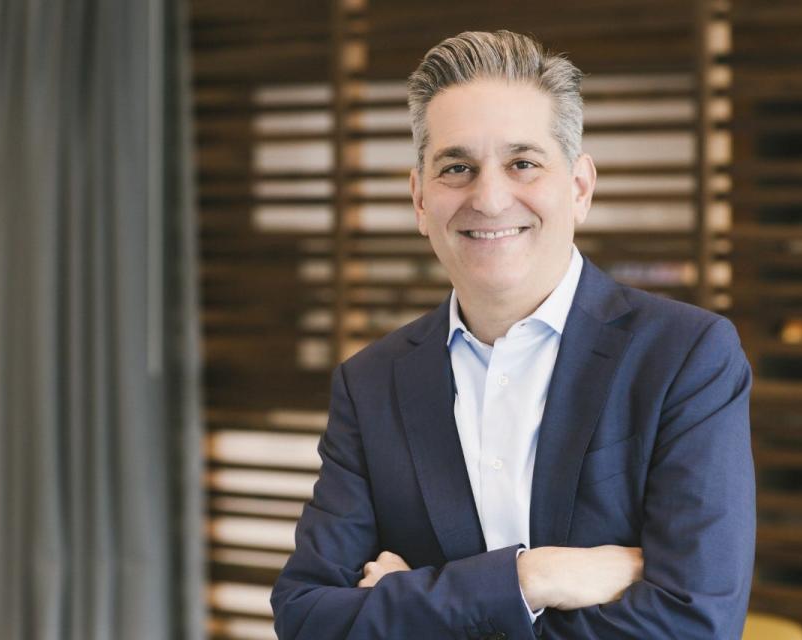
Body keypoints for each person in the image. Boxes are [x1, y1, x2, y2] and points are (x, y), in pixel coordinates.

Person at [272, 30, 755, 639]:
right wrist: (532, 579)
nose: (491, 198)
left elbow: (696, 625)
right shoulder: (371, 383)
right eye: (457, 168)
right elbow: (308, 619)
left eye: (523, 163)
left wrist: (413, 602)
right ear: (420, 199)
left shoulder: (687, 357)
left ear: (579, 188)